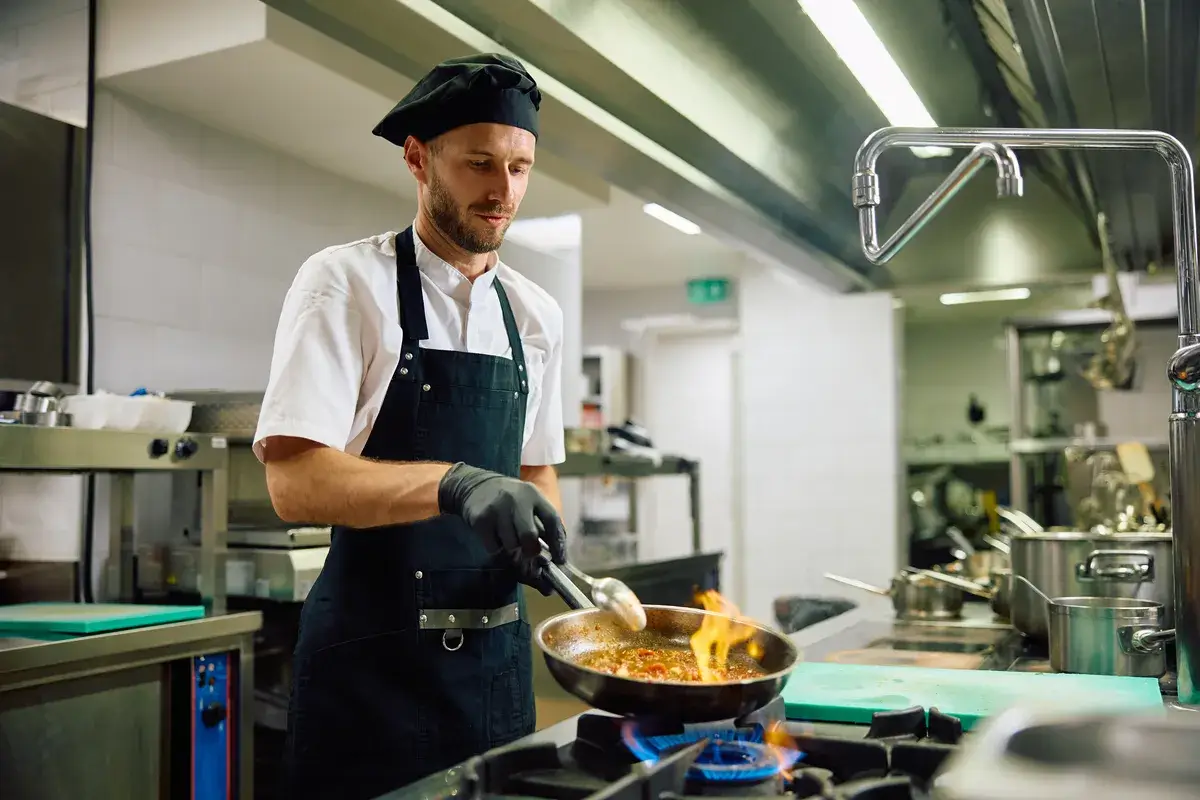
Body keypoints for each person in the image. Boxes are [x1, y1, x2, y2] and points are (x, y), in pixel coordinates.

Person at [252, 53, 569, 800]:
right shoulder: (343, 283)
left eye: (520, 168)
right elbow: (294, 481)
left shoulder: (536, 315)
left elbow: (535, 469)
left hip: (494, 671)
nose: (503, 192)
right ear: (419, 159)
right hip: (372, 671)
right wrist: (455, 485)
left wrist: (541, 528)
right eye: (480, 164)